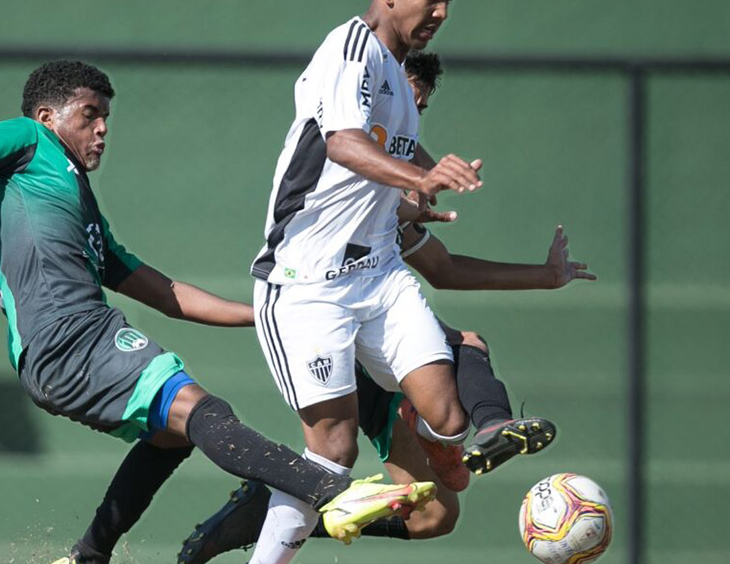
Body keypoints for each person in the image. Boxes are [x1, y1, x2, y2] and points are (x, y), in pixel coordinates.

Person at [0, 60, 436, 564]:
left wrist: (270, 312)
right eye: (89, 114)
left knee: (169, 435)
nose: (102, 127)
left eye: (106, 116)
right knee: (200, 411)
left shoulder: (84, 213)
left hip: (80, 341)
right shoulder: (26, 141)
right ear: (49, 116)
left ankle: (89, 555)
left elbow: (165, 292)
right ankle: (330, 490)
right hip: (65, 342)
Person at [177, 52, 595, 563]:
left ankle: (271, 512)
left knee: (434, 516)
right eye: (403, 100)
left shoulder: (390, 191)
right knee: (445, 362)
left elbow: (444, 269)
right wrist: (413, 184)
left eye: (419, 106)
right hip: (323, 317)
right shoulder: (344, 157)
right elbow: (346, 157)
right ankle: (482, 424)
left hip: (377, 321)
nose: (409, 115)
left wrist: (546, 277)